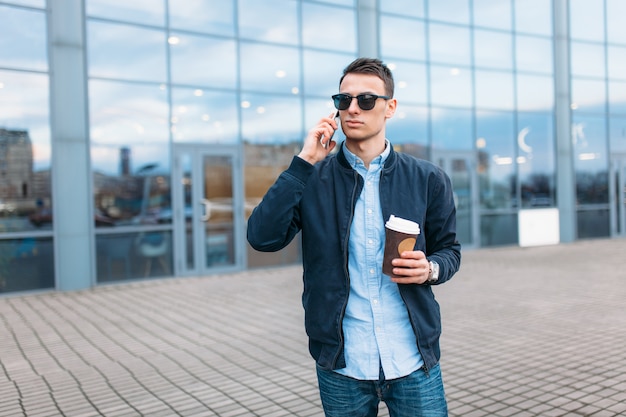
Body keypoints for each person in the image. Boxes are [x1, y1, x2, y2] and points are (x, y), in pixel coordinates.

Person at [247, 57, 461, 417]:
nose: (352, 109)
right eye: (343, 100)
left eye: (366, 100)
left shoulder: (427, 178)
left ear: (390, 108)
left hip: (412, 357)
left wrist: (430, 270)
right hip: (343, 363)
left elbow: (449, 250)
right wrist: (303, 162)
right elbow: (262, 237)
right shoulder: (312, 178)